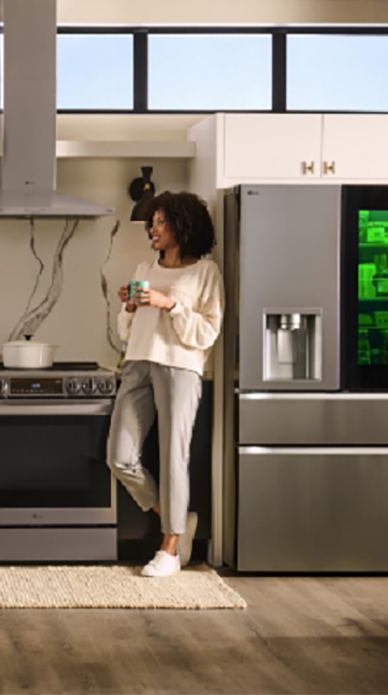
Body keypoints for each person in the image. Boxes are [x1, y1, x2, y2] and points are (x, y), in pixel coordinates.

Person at [110, 191, 224, 578]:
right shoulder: (145, 266)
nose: (154, 230)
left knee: (174, 457)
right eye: (152, 223)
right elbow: (126, 330)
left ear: (183, 225)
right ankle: (177, 517)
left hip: (179, 367)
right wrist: (129, 306)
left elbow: (208, 332)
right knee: (120, 456)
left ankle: (170, 548)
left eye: (161, 222)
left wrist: (169, 303)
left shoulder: (204, 273)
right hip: (138, 363)